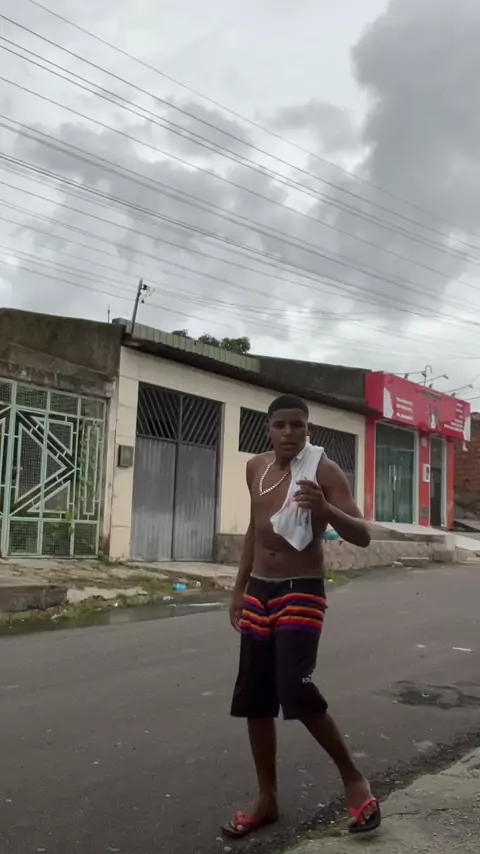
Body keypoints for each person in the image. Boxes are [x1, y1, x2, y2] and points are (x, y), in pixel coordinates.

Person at [222, 394, 381, 839]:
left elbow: (363, 535)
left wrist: (325, 510)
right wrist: (238, 588)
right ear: (268, 429)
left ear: (309, 430)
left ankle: (354, 779)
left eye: (299, 425)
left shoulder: (324, 471)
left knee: (295, 687)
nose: (290, 433)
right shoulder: (255, 468)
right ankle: (267, 798)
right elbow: (255, 530)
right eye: (281, 425)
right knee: (255, 696)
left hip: (301, 589)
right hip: (259, 590)